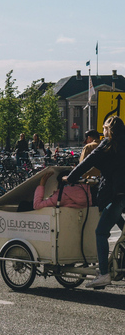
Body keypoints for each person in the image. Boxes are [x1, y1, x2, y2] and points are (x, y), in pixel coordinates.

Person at [65, 115, 125, 288]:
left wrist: (70, 178)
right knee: (116, 220)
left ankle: (104, 274)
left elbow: (87, 163)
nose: (103, 132)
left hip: (116, 194)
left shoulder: (107, 144)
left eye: (105, 129)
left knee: (101, 232)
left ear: (109, 130)